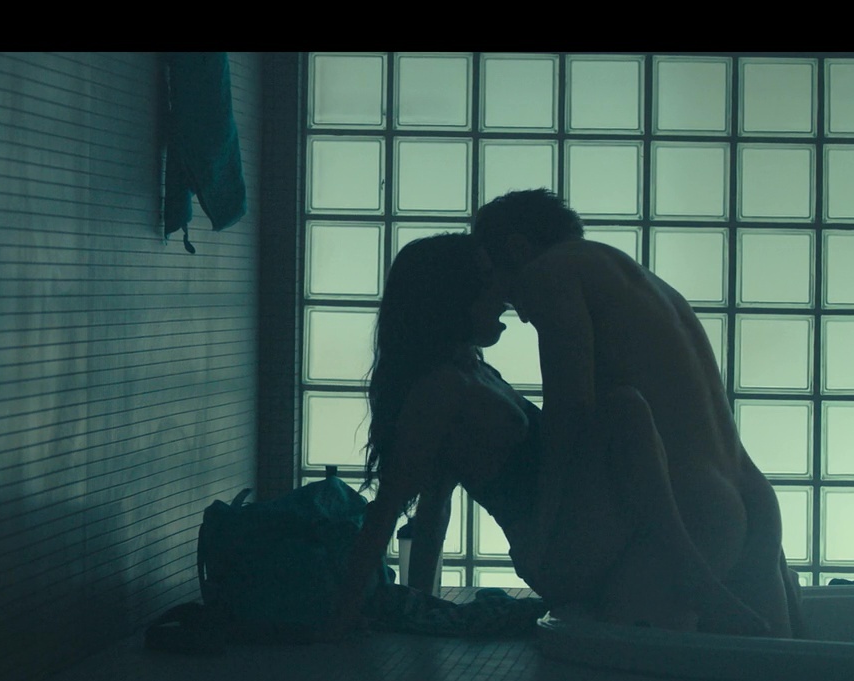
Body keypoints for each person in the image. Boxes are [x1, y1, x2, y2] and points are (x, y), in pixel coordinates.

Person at [318, 233, 775, 639]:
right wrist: (351, 615)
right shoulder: (439, 391)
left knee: (623, 405)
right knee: (623, 406)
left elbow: (436, 503)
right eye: (487, 281)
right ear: (452, 296)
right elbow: (398, 504)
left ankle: (694, 574)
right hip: (554, 551)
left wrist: (421, 603)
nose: (504, 295)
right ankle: (696, 576)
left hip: (574, 528)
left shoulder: (476, 372)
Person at [470, 189, 804, 637]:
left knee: (630, 674)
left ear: (516, 248)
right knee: (771, 677)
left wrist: (545, 528)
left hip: (691, 506)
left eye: (496, 280)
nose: (512, 305)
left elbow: (571, 407)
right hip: (752, 496)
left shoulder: (550, 272)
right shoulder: (644, 282)